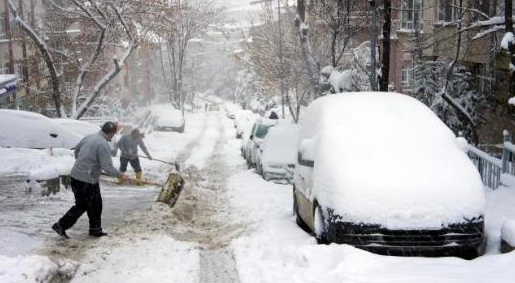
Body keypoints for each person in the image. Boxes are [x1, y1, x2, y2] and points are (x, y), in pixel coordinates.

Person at [52, 122, 128, 239]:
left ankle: (90, 228)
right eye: (114, 133)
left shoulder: (89, 137)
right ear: (111, 133)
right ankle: (66, 225)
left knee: (86, 205)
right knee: (93, 205)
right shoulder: (102, 144)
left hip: (76, 176)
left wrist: (85, 164)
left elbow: (77, 151)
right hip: (87, 180)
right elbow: (107, 166)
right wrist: (120, 175)